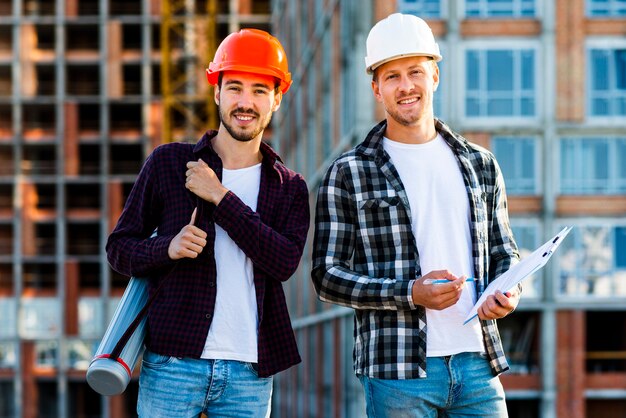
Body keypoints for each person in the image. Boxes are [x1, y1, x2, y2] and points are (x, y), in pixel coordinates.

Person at [311, 13, 520, 417]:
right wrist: (409, 293)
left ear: (435, 76)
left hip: (478, 362)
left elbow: (504, 252)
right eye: (392, 76)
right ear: (376, 88)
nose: (406, 86)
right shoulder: (350, 171)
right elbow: (326, 276)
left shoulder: (480, 164)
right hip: (397, 371)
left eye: (415, 72)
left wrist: (509, 292)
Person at [106, 28, 309, 417]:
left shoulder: (289, 187)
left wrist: (221, 197)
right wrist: (166, 247)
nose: (245, 102)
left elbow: (283, 263)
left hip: (250, 372)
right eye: (235, 88)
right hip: (172, 365)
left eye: (259, 90)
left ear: (277, 99)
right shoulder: (169, 162)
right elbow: (119, 248)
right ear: (217, 92)